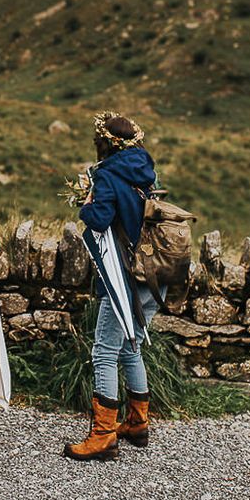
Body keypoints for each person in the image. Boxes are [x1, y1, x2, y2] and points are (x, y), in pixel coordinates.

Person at [64, 111, 164, 461]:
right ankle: (138, 423)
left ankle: (104, 435)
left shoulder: (107, 174)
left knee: (104, 351)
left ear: (106, 142)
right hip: (155, 275)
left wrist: (85, 207)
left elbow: (100, 218)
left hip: (125, 277)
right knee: (131, 346)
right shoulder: (146, 170)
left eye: (98, 139)